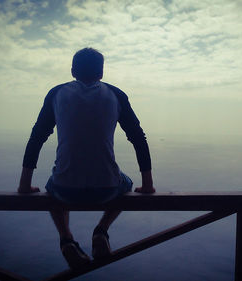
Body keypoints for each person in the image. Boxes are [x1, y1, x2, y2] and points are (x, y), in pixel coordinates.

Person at [17, 47, 155, 269]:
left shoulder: (56, 94)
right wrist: (147, 185)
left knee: (52, 184)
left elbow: (37, 138)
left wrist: (24, 185)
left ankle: (66, 239)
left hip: (65, 190)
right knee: (126, 183)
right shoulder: (116, 95)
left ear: (72, 71)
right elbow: (138, 138)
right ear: (101, 73)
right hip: (107, 189)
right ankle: (101, 231)